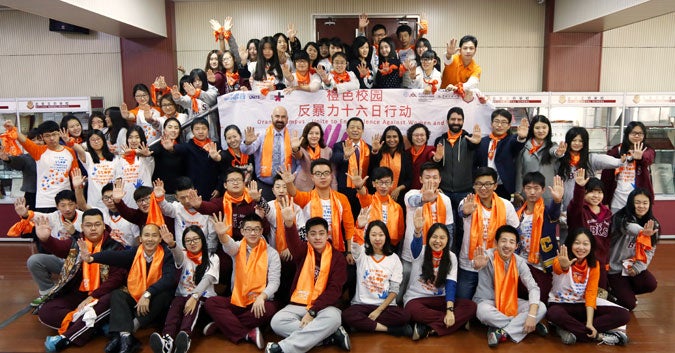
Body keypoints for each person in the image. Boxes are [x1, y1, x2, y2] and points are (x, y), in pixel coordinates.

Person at [267, 198, 350, 353]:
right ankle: (327, 337)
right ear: (308, 236)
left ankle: (283, 349)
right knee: (277, 322)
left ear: (327, 235)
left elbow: (334, 290)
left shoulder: (338, 258)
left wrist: (313, 312)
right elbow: (293, 244)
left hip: (324, 307)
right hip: (299, 304)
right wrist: (289, 224)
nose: (317, 238)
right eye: (313, 234)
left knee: (334, 318)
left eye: (321, 233)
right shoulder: (304, 251)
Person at [79, 222, 176, 353]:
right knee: (117, 294)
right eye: (146, 235)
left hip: (155, 300)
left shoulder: (166, 254)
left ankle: (127, 332)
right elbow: (115, 256)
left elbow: (169, 279)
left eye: (154, 236)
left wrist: (148, 294)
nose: (150, 239)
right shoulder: (136, 252)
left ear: (160, 239)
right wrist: (91, 258)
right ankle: (126, 337)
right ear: (141, 239)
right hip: (137, 295)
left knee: (164, 295)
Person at [38, 209, 126, 352]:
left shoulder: (116, 247)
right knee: (46, 311)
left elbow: (116, 279)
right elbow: (59, 248)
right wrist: (46, 239)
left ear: (104, 226)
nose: (93, 228)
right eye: (88, 225)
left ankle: (65, 338)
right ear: (82, 227)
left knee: (112, 298)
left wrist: (93, 296)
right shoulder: (76, 243)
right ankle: (93, 325)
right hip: (79, 293)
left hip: (102, 295)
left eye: (97, 224)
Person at [204, 212, 280, 350]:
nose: (253, 233)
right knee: (211, 303)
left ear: (261, 231)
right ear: (242, 231)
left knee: (270, 309)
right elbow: (229, 246)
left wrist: (262, 297)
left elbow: (274, 282)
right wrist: (222, 235)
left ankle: (223, 325)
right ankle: (246, 333)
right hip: (238, 299)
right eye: (248, 229)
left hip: (259, 301)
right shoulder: (238, 247)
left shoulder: (272, 253)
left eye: (256, 229)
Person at [547, 228, 630, 346]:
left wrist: (590, 323)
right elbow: (558, 268)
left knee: (623, 315)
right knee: (554, 314)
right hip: (560, 305)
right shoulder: (560, 260)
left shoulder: (594, 265)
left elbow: (591, 293)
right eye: (577, 243)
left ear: (591, 246)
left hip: (582, 305)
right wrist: (564, 266)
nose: (581, 247)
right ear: (570, 243)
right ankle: (598, 336)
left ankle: (570, 330)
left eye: (585, 244)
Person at [473, 225, 547, 347]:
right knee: (482, 311)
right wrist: (476, 265)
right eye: (503, 241)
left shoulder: (519, 262)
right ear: (496, 243)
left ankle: (502, 331)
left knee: (541, 307)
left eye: (512, 242)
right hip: (488, 301)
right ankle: (527, 326)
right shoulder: (487, 256)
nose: (507, 245)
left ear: (516, 246)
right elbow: (475, 264)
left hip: (510, 302)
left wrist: (532, 314)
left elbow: (533, 287)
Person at [403, 217, 476, 340]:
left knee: (471, 306)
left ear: (448, 240)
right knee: (411, 310)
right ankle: (457, 322)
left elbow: (451, 285)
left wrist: (449, 310)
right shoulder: (421, 251)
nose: (438, 241)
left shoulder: (451, 257)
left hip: (440, 300)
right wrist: (417, 231)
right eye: (434, 237)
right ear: (429, 238)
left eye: (442, 238)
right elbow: (415, 246)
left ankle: (427, 329)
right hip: (417, 299)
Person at [149, 225, 220, 353]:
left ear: (202, 239)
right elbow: (178, 257)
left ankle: (184, 337)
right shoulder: (183, 255)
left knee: (192, 303)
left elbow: (207, 279)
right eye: (188, 240)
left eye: (195, 239)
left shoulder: (212, 257)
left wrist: (194, 296)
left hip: (203, 298)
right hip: (182, 296)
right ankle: (167, 340)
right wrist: (171, 244)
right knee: (177, 303)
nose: (192, 243)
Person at [456, 167, 519, 300]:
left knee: (493, 301)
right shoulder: (468, 202)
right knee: (463, 301)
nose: (483, 188)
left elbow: (514, 232)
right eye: (478, 184)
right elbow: (462, 212)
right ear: (474, 185)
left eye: (488, 184)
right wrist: (465, 212)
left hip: (495, 262)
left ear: (495, 186)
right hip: (469, 263)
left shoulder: (506, 205)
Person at [342, 219, 411, 336]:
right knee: (346, 315)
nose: (377, 239)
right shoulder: (362, 253)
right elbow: (354, 244)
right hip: (361, 304)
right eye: (373, 235)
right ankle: (389, 330)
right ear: (368, 237)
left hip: (385, 306)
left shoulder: (394, 259)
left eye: (381, 235)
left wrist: (378, 311)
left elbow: (394, 290)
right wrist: (359, 227)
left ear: (386, 237)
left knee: (405, 316)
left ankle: (362, 325)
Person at [400, 163, 454, 302]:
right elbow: (413, 201)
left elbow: (449, 229)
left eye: (435, 177)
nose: (431, 181)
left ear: (440, 179)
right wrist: (424, 199)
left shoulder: (445, 200)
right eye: (427, 177)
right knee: (402, 289)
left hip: (434, 254)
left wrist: (446, 252)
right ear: (420, 179)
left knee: (424, 291)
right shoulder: (411, 194)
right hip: (412, 252)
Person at [282, 159, 355, 257]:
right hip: (311, 250)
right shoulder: (306, 198)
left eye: (326, 173)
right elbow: (293, 194)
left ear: (331, 175)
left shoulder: (342, 199)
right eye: (318, 173)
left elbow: (349, 227)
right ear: (312, 177)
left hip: (336, 249)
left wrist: (349, 251)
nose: (322, 177)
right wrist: (289, 183)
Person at [432, 107, 482, 252]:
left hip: (465, 191)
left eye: (459, 119)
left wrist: (476, 143)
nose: (456, 122)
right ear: (448, 121)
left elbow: (477, 155)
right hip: (444, 191)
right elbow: (436, 163)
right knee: (445, 226)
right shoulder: (439, 140)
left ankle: (460, 259)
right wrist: (436, 159)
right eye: (453, 119)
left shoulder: (469, 139)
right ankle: (447, 256)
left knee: (463, 228)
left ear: (463, 121)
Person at [5, 120, 78, 212]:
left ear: (59, 134)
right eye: (47, 136)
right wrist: (13, 129)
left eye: (54, 134)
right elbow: (25, 141)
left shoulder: (70, 152)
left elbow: (76, 177)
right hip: (45, 202)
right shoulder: (38, 151)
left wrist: (78, 198)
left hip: (66, 201)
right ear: (42, 137)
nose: (51, 138)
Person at [515, 172, 564, 304]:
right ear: (524, 189)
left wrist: (557, 201)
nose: (532, 192)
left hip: (542, 265)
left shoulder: (547, 212)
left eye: (536, 188)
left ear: (543, 190)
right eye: (528, 188)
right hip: (522, 262)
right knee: (520, 296)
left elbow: (555, 213)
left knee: (541, 300)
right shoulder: (517, 213)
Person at [608, 188, 660, 310]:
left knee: (651, 284)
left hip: (631, 266)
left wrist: (637, 268)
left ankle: (625, 292)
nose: (641, 206)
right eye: (637, 202)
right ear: (631, 203)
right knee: (629, 305)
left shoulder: (653, 224)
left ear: (649, 204)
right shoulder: (620, 218)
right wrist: (643, 232)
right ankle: (612, 291)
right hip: (614, 268)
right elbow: (628, 227)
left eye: (645, 203)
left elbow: (650, 250)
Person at [557, 126, 623, 210]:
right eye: (574, 140)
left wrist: (620, 161)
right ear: (568, 141)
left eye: (580, 141)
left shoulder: (590, 159)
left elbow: (608, 161)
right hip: (565, 208)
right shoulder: (560, 160)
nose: (577, 143)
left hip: (587, 208)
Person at [567, 169, 612, 290]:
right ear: (585, 193)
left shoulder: (608, 214)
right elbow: (576, 203)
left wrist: (606, 260)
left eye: (599, 192)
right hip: (580, 260)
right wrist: (579, 187)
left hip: (599, 263)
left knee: (600, 294)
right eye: (591, 192)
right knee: (579, 292)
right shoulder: (578, 211)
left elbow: (607, 240)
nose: (596, 196)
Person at [240, 106, 295, 201]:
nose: (280, 119)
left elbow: (299, 162)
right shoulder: (261, 135)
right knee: (263, 212)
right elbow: (247, 151)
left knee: (285, 212)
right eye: (277, 116)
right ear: (272, 117)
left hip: (286, 186)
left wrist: (293, 178)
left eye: (283, 117)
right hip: (264, 185)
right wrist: (247, 143)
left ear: (287, 119)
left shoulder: (293, 137)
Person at [71, 173, 140, 248]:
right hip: (106, 251)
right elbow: (82, 205)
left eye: (112, 197)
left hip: (127, 253)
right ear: (102, 200)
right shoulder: (102, 213)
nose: (110, 201)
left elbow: (138, 241)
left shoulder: (130, 215)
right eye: (106, 198)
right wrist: (78, 188)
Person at [474, 109, 529, 199]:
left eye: (504, 122)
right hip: (484, 186)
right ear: (491, 124)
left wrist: (521, 138)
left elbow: (517, 144)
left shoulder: (511, 140)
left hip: (503, 187)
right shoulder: (483, 142)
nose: (499, 125)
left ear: (508, 126)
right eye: (496, 122)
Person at [601, 121, 655, 212]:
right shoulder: (616, 151)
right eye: (634, 133)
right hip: (617, 198)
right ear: (627, 134)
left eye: (640, 133)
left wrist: (640, 157)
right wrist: (604, 200)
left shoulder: (647, 150)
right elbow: (606, 177)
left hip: (639, 201)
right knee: (617, 225)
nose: (637, 136)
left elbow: (648, 158)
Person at [154, 177, 217, 254]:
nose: (187, 201)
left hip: (203, 254)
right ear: (176, 197)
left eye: (188, 196)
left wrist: (208, 254)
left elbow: (212, 236)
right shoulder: (177, 208)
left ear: (195, 192)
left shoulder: (206, 208)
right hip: (182, 255)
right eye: (182, 198)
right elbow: (167, 209)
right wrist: (160, 198)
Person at [162, 118, 220, 201]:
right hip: (193, 193)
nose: (200, 132)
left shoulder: (215, 145)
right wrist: (171, 148)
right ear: (192, 131)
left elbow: (222, 168)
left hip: (213, 193)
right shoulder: (187, 146)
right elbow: (177, 149)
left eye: (204, 128)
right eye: (197, 129)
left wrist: (219, 188)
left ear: (208, 130)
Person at [515, 115, 565, 205]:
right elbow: (519, 171)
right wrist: (518, 192)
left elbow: (553, 152)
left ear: (549, 129)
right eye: (537, 128)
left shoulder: (552, 146)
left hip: (548, 194)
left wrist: (558, 153)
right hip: (528, 194)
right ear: (532, 129)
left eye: (544, 127)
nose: (541, 131)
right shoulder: (524, 147)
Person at [331, 117, 374, 218]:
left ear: (362, 131)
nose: (355, 130)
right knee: (345, 217)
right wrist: (345, 156)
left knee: (361, 217)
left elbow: (373, 167)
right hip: (345, 189)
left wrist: (376, 153)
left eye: (358, 128)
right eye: (352, 127)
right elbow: (334, 159)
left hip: (363, 189)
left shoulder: (369, 148)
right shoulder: (339, 145)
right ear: (347, 130)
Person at [351, 167, 405, 248]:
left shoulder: (397, 207)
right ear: (373, 184)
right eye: (380, 182)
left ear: (392, 184)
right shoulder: (369, 201)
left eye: (387, 182)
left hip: (389, 247)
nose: (383, 186)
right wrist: (359, 187)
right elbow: (363, 194)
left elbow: (400, 232)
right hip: (368, 245)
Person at [70, 130, 117, 210]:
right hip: (94, 201)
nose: (96, 142)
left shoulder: (115, 158)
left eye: (98, 139)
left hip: (112, 200)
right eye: (92, 140)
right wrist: (69, 141)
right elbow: (80, 150)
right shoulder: (88, 157)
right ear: (88, 142)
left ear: (103, 140)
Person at [369, 125, 411, 205]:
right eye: (388, 137)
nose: (392, 140)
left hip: (398, 197)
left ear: (399, 139)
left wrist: (398, 189)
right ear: (384, 139)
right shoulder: (378, 153)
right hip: (378, 196)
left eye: (395, 137)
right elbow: (371, 172)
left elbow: (409, 179)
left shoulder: (405, 156)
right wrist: (375, 151)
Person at [291, 122, 334, 192]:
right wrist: (296, 149)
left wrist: (334, 189)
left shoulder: (328, 151)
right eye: (311, 133)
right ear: (306, 135)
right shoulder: (301, 149)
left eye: (317, 133)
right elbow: (298, 155)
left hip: (322, 185)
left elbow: (332, 172)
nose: (314, 136)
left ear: (320, 135)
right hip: (303, 185)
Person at [151, 117, 186, 199]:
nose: (173, 130)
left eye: (176, 128)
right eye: (170, 127)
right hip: (162, 192)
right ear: (164, 130)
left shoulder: (184, 147)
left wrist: (171, 149)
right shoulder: (158, 145)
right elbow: (150, 151)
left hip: (180, 193)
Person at [405, 123, 436, 190]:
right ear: (411, 137)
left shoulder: (431, 149)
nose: (419, 138)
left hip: (426, 190)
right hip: (408, 191)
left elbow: (433, 157)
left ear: (426, 136)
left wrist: (436, 158)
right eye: (416, 135)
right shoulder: (406, 153)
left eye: (422, 135)